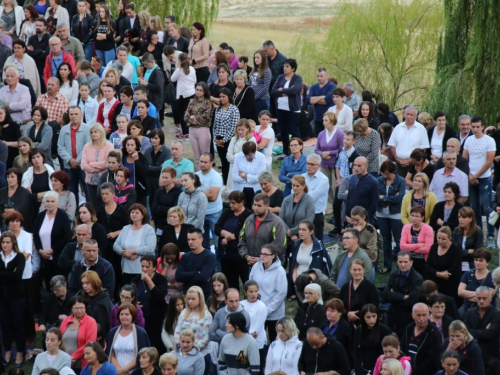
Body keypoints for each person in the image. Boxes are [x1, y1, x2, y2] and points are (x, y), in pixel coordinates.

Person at [463, 116, 496, 246]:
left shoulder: (489, 140)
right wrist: (470, 175)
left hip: (484, 178)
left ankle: (490, 236)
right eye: (473, 127)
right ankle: (478, 234)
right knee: (474, 207)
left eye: (477, 127)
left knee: (487, 208)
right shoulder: (469, 140)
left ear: (483, 127)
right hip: (471, 178)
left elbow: (489, 162)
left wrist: (476, 175)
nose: (475, 129)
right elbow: (464, 159)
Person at [248, 243, 287, 343]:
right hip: (258, 311)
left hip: (274, 314)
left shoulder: (280, 271)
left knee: (275, 340)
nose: (263, 256)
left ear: (273, 256)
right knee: (258, 340)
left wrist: (267, 310)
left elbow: (281, 294)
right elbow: (250, 284)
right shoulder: (256, 267)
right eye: (261, 253)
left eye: (266, 254)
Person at [214, 191, 251, 289]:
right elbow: (217, 228)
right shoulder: (227, 212)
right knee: (230, 282)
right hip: (227, 254)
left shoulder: (248, 214)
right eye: (230, 202)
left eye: (233, 203)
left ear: (242, 202)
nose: (231, 205)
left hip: (241, 255)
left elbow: (246, 231)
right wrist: (226, 234)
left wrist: (230, 237)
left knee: (246, 280)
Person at [33, 191, 71, 287]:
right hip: (43, 258)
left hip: (58, 258)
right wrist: (40, 250)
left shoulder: (63, 216)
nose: (50, 204)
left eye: (52, 201)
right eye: (48, 201)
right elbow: (36, 235)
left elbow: (66, 236)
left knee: (59, 285)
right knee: (47, 284)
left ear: (57, 202)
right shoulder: (40, 216)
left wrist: (52, 250)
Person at [382, 251, 424, 338]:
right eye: (400, 262)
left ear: (411, 263)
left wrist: (394, 297)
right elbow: (385, 295)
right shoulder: (393, 275)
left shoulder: (417, 279)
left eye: (405, 262)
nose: (403, 265)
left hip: (407, 318)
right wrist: (403, 296)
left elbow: (412, 301)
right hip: (393, 316)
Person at [132, 255, 168, 353]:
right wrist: (134, 304)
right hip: (140, 319)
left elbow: (160, 296)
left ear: (154, 267)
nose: (144, 269)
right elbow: (130, 296)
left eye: (147, 267)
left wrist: (149, 281)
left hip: (156, 320)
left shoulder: (161, 279)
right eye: (142, 266)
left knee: (156, 347)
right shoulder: (136, 280)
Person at [0, 231, 26, 368]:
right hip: (2, 298)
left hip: (16, 297)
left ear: (13, 243)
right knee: (4, 325)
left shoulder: (19, 257)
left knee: (18, 325)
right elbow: (13, 275)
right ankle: (8, 351)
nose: (5, 245)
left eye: (7, 242)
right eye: (3, 242)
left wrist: (4, 275)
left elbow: (18, 276)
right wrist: (10, 274)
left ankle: (20, 352)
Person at [112, 202, 155, 282]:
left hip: (142, 270)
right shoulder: (125, 228)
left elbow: (150, 248)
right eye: (132, 212)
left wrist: (132, 251)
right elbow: (115, 245)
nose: (134, 214)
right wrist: (124, 253)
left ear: (142, 215)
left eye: (137, 213)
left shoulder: (148, 229)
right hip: (126, 269)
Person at [238, 193, 287, 264]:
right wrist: (246, 256)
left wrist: (262, 258)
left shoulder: (277, 222)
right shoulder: (248, 220)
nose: (256, 208)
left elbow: (279, 245)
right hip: (252, 265)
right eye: (254, 205)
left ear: (267, 206)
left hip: (271, 266)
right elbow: (242, 239)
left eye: (259, 206)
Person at [57, 106, 90, 206]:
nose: (74, 116)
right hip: (69, 166)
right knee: (71, 192)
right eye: (71, 114)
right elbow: (60, 147)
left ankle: (90, 213)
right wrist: (70, 160)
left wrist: (77, 161)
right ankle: (74, 214)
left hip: (83, 165)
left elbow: (87, 146)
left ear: (81, 115)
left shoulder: (87, 129)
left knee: (87, 190)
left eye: (76, 114)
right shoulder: (64, 129)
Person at [174, 286, 212, 372]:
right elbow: (177, 330)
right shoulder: (184, 312)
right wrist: (180, 345)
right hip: (183, 353)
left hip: (201, 354)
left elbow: (206, 337)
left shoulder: (207, 315)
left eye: (193, 299)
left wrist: (193, 348)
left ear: (200, 299)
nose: (190, 301)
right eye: (189, 299)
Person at [377, 160, 405, 274]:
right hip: (381, 214)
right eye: (384, 173)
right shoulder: (379, 180)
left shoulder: (401, 181)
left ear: (393, 172)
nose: (385, 176)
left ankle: (400, 266)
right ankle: (387, 265)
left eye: (387, 173)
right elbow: (375, 196)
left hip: (396, 214)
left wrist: (383, 197)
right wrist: (391, 197)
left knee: (399, 241)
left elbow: (400, 198)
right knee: (386, 240)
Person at [106, 303, 150, 374]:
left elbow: (142, 355)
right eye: (121, 314)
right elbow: (111, 354)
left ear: (133, 316)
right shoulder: (112, 332)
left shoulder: (140, 333)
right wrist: (119, 370)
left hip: (135, 372)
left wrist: (125, 370)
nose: (124, 317)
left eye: (127, 314)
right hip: (117, 372)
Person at [271, 58, 302, 156]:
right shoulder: (280, 77)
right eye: (284, 66)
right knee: (283, 131)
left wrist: (282, 89)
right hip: (281, 108)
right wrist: (285, 92)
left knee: (294, 131)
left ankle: (298, 152)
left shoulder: (297, 78)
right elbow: (273, 91)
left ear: (293, 68)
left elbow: (294, 90)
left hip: (293, 109)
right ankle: (286, 152)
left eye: (287, 66)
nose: (285, 68)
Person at [464, 286, 500, 368]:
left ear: (490, 299)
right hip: (471, 353)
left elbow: (489, 334)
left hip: (490, 355)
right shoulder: (470, 312)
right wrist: (484, 330)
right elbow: (464, 331)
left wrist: (471, 332)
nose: (481, 301)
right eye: (479, 298)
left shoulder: (496, 314)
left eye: (484, 298)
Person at [388, 106, 430, 176]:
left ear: (416, 116)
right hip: (399, 164)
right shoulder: (398, 127)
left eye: (411, 115)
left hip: (414, 164)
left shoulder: (421, 129)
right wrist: (397, 158)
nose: (409, 117)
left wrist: (411, 160)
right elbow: (392, 145)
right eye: (407, 114)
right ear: (404, 114)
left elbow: (423, 148)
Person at [175, 228, 216, 298]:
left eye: (193, 239)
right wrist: (196, 273)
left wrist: (186, 280)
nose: (190, 242)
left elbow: (203, 277)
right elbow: (178, 276)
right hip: (187, 295)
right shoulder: (185, 257)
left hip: (203, 295)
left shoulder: (209, 256)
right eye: (188, 240)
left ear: (201, 239)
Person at [289, 220, 331, 286]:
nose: (301, 232)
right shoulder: (296, 245)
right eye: (299, 229)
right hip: (297, 281)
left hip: (312, 283)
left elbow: (327, 267)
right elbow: (294, 266)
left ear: (311, 232)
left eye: (304, 230)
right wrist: (295, 281)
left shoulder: (319, 247)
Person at [353, 304, 392, 375]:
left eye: (374, 316)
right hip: (362, 368)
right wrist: (359, 370)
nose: (371, 320)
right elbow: (356, 352)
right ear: (363, 317)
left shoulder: (383, 330)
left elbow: (386, 352)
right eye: (368, 317)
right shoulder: (359, 330)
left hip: (379, 369)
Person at [81, 122, 113, 208]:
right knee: (94, 205)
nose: (93, 134)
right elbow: (83, 165)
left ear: (101, 132)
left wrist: (91, 164)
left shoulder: (109, 146)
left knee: (105, 204)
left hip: (104, 181)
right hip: (90, 181)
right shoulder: (87, 147)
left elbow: (107, 164)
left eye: (95, 132)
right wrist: (99, 167)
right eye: (91, 132)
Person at [60, 296, 98, 368]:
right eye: (76, 308)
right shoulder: (65, 321)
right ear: (71, 309)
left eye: (82, 308)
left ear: (85, 308)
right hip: (64, 361)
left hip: (82, 362)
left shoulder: (91, 321)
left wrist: (73, 357)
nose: (79, 310)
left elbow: (90, 343)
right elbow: (59, 340)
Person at [315, 111, 344, 204]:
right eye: (323, 120)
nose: (323, 122)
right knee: (326, 186)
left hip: (335, 165)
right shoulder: (321, 134)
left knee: (334, 186)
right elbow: (316, 149)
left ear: (332, 121)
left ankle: (337, 205)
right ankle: (331, 203)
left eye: (326, 120)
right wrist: (322, 153)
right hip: (324, 165)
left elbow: (341, 149)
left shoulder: (340, 133)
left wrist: (329, 153)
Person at [425, 226, 462, 300]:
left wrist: (444, 274)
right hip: (433, 282)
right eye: (438, 238)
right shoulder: (434, 247)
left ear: (450, 238)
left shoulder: (456, 249)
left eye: (443, 239)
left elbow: (455, 269)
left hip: (449, 284)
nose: (440, 241)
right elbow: (427, 266)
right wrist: (438, 274)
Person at [339, 259, 379, 326]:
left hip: (364, 324)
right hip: (347, 323)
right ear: (350, 270)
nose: (357, 272)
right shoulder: (345, 287)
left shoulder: (370, 287)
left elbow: (374, 307)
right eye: (354, 270)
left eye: (359, 269)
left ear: (364, 270)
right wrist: (347, 313)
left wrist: (356, 315)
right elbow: (340, 305)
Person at [213, 87, 240, 184]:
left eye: (224, 96)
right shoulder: (218, 109)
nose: (221, 99)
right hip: (218, 138)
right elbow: (215, 125)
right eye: (220, 97)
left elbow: (233, 127)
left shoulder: (234, 109)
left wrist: (224, 140)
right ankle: (224, 182)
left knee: (228, 162)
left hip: (229, 139)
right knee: (223, 162)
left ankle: (229, 182)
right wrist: (216, 139)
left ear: (229, 97)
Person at [458, 249, 495, 318]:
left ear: (487, 262)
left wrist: (468, 295)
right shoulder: (467, 274)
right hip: (467, 308)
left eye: (481, 261)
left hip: (486, 311)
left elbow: (489, 296)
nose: (477, 262)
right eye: (476, 260)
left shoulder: (493, 276)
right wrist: (480, 296)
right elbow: (460, 292)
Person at [184, 82, 212, 168]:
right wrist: (193, 120)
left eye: (200, 90)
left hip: (202, 130)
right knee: (197, 157)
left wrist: (193, 119)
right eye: (197, 89)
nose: (198, 92)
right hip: (192, 130)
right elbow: (186, 116)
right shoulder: (192, 102)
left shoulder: (208, 103)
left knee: (205, 156)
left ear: (204, 92)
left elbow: (206, 117)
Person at [400, 204, 434, 276]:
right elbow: (402, 247)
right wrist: (418, 245)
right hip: (407, 260)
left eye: (417, 216)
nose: (414, 218)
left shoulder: (428, 229)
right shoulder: (406, 227)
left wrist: (409, 248)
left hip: (423, 261)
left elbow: (427, 249)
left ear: (422, 218)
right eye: (412, 215)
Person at [302, 154, 329, 242]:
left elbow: (312, 197)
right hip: (302, 212)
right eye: (308, 164)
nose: (309, 166)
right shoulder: (302, 177)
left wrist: (301, 194)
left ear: (319, 166)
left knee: (317, 241)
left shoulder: (323, 179)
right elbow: (293, 193)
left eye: (312, 164)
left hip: (316, 214)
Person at [232, 141, 267, 207]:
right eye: (246, 155)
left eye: (250, 155)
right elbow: (234, 177)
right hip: (240, 189)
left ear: (254, 152)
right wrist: (251, 178)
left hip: (255, 190)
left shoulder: (261, 157)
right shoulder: (238, 156)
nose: (247, 157)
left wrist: (244, 175)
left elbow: (260, 178)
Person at [345, 157, 379, 226]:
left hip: (364, 221)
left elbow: (374, 204)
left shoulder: (373, 182)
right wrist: (347, 214)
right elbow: (349, 198)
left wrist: (365, 219)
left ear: (366, 167)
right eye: (354, 165)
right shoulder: (353, 178)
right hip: (351, 220)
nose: (356, 168)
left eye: (359, 165)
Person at [79, 269, 113, 333]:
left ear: (94, 282)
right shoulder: (81, 297)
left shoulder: (104, 299)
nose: (84, 286)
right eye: (83, 283)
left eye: (87, 283)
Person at [0, 167, 33, 231]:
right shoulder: (1, 192)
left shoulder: (24, 192)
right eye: (8, 177)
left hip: (19, 227)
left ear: (18, 178)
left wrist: (6, 211)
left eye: (12, 177)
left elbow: (20, 210)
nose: (9, 179)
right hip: (3, 227)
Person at [240, 280, 267, 357]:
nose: (254, 294)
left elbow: (257, 329)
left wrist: (248, 334)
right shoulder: (241, 305)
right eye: (251, 292)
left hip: (257, 343)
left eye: (255, 291)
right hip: (242, 341)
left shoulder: (261, 306)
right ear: (245, 292)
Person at [227, 119, 257, 188]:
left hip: (245, 169)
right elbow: (228, 156)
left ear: (247, 129)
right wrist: (240, 156)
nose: (240, 132)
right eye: (238, 129)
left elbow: (250, 156)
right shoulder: (233, 139)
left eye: (242, 130)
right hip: (233, 167)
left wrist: (236, 155)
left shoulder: (252, 140)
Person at [305, 68, 335, 136]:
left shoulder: (332, 86)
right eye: (318, 76)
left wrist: (314, 100)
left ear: (326, 76)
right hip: (317, 118)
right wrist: (322, 97)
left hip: (329, 119)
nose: (319, 78)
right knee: (319, 138)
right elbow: (308, 100)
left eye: (321, 76)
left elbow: (326, 101)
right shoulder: (313, 87)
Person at [452, 206, 483, 271]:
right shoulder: (456, 230)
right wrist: (468, 251)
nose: (460, 220)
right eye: (459, 217)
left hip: (472, 265)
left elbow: (478, 252)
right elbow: (454, 251)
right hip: (457, 264)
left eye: (464, 217)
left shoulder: (478, 231)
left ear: (471, 218)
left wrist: (461, 252)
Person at [121, 136, 149, 206]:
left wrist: (136, 160)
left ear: (136, 146)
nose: (129, 147)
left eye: (132, 145)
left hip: (138, 192)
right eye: (128, 145)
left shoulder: (142, 158)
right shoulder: (122, 157)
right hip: (123, 191)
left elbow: (144, 174)